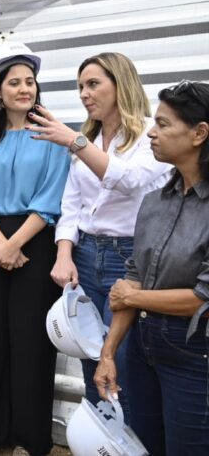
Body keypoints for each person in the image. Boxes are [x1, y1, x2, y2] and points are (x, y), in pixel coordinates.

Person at [28, 52, 171, 418]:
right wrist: (64, 253)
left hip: (131, 258)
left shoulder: (150, 134)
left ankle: (129, 437)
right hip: (87, 255)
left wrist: (75, 142)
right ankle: (98, 434)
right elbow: (71, 206)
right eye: (80, 87)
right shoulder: (87, 140)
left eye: (93, 84)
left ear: (120, 84)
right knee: (90, 353)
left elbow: (131, 181)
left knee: (122, 357)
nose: (84, 94)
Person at [0, 42, 70, 456]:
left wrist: (16, 243)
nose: (24, 88)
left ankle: (28, 437)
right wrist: (2, 244)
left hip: (35, 243)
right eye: (14, 82)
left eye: (30, 81)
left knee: (31, 343)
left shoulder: (54, 135)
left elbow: (51, 199)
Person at [94, 80, 209, 454]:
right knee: (143, 444)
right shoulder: (154, 201)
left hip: (194, 357)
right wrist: (109, 353)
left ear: (199, 133)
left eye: (162, 124)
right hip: (142, 349)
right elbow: (134, 274)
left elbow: (202, 298)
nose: (152, 134)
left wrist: (136, 296)